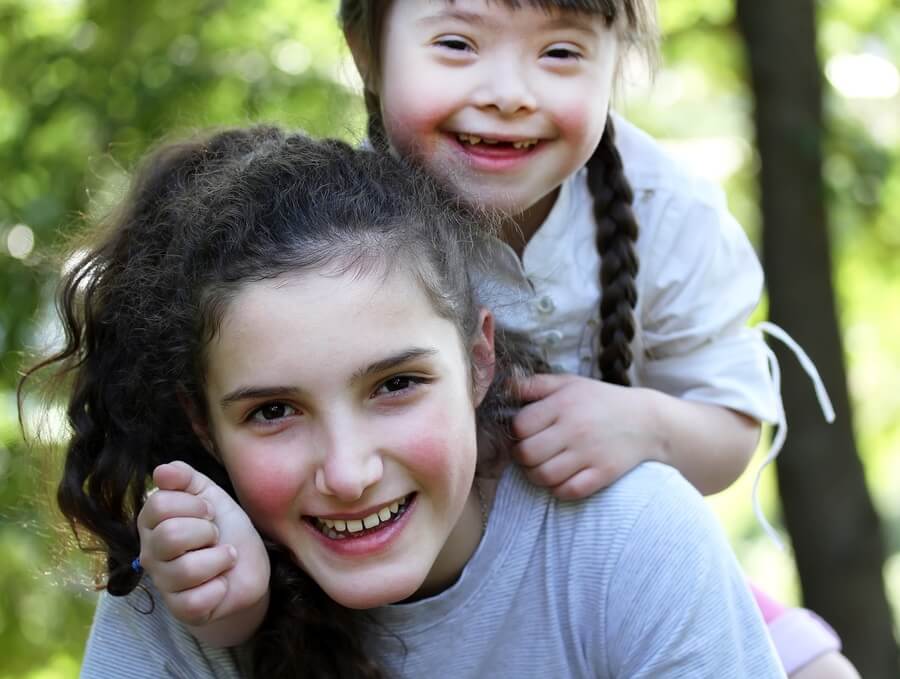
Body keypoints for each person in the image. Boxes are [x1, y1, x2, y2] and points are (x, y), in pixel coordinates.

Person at [22, 126, 786, 677]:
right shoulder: (185, 589)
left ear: (479, 359)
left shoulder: (623, 539)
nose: (348, 473)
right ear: (204, 424)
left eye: (395, 385)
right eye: (273, 411)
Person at [332, 1, 852, 677]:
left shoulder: (670, 211)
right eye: (458, 44)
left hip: (614, 560)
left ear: (616, 64)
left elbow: (731, 422)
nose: (509, 95)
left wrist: (644, 427)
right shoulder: (329, 240)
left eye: (560, 54)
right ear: (366, 51)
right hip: (419, 591)